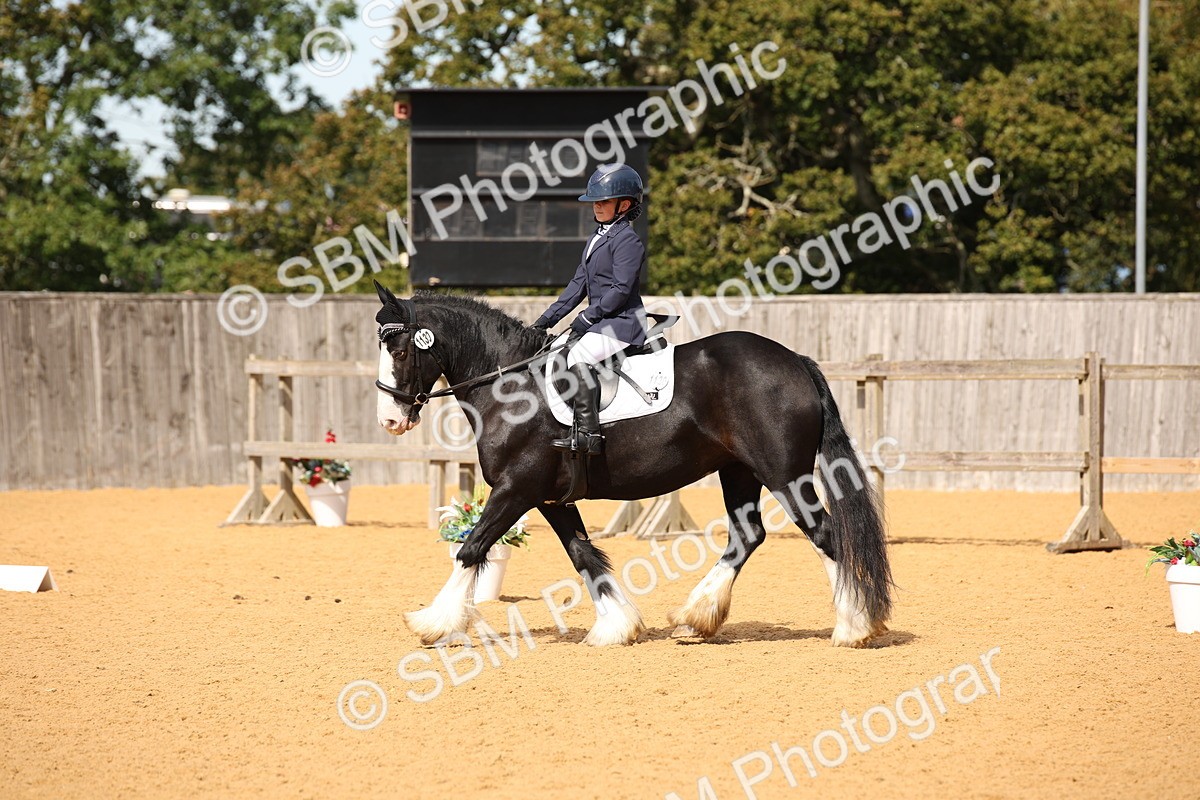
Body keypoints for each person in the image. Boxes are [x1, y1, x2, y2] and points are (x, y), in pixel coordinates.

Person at [532, 162, 648, 458]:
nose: (597, 206)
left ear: (624, 204)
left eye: (604, 201)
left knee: (577, 355)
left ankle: (590, 435)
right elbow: (577, 284)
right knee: (554, 349)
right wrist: (546, 319)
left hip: (622, 324)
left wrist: (587, 316)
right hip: (602, 322)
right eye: (595, 201)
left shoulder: (628, 241)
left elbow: (620, 290)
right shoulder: (597, 237)